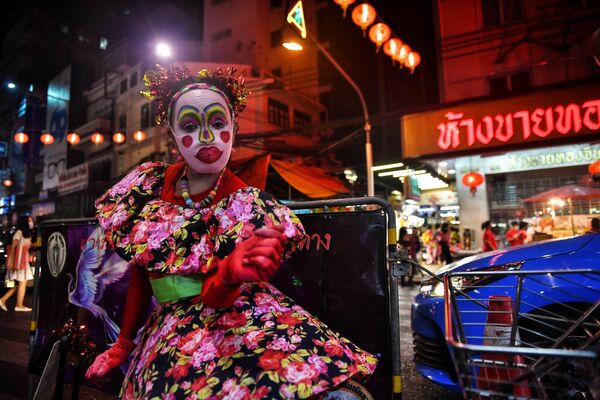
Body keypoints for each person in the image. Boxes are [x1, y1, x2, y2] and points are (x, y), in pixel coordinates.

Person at [85, 65, 376, 398]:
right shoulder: (150, 184)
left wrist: (229, 275)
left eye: (218, 122)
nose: (207, 136)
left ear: (234, 129)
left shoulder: (246, 203)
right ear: (172, 133)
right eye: (191, 126)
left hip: (235, 318)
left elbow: (214, 293)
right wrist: (123, 344)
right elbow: (144, 270)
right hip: (167, 327)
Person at [0, 215, 34, 312]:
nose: (31, 222)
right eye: (29, 220)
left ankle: (7, 301)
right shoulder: (19, 232)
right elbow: (13, 247)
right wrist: (11, 261)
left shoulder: (26, 234)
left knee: (20, 283)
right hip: (18, 262)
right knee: (22, 282)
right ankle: (18, 305)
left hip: (23, 261)